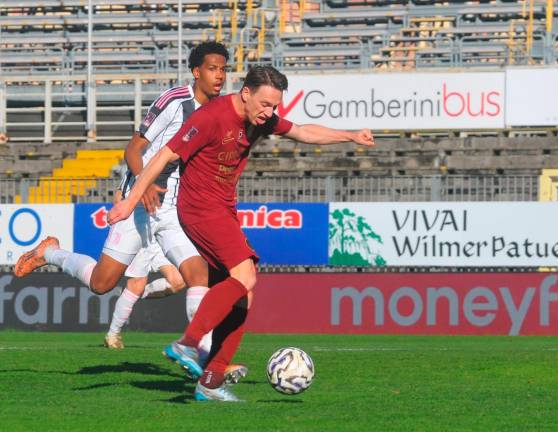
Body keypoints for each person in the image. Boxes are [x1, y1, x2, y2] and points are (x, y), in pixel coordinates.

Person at [108, 65, 375, 401]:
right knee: (245, 275)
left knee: (242, 296)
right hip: (201, 209)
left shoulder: (259, 118)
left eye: (275, 106)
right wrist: (131, 201)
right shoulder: (211, 117)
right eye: (265, 104)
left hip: (222, 210)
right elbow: (163, 156)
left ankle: (211, 381)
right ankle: (188, 344)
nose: (270, 112)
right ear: (245, 93)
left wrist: (350, 135)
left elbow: (304, 132)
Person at [15, 42, 245, 381]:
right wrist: (144, 183)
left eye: (224, 69)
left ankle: (209, 360)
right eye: (213, 68)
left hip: (175, 208)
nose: (219, 76)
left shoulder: (221, 110)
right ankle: (50, 251)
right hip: (139, 200)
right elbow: (134, 148)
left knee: (197, 275)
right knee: (102, 282)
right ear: (197, 72)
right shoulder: (173, 101)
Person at [104, 241, 185, 349]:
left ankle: (132, 295)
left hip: (161, 239)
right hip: (141, 240)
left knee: (178, 282)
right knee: (136, 285)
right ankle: (112, 334)